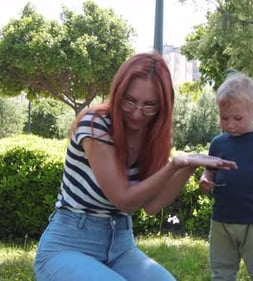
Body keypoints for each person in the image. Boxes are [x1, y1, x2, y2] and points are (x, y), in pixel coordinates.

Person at [33, 52, 237, 281]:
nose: (138, 113)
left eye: (149, 105)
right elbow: (125, 200)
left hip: (120, 246)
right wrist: (173, 166)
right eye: (130, 100)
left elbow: (151, 205)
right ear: (118, 92)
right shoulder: (95, 125)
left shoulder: (152, 137)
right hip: (68, 245)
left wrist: (188, 167)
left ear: (162, 106)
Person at [199, 71, 253, 281]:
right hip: (222, 220)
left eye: (238, 118)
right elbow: (210, 169)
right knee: (221, 271)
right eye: (224, 118)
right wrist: (205, 177)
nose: (230, 124)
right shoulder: (218, 143)